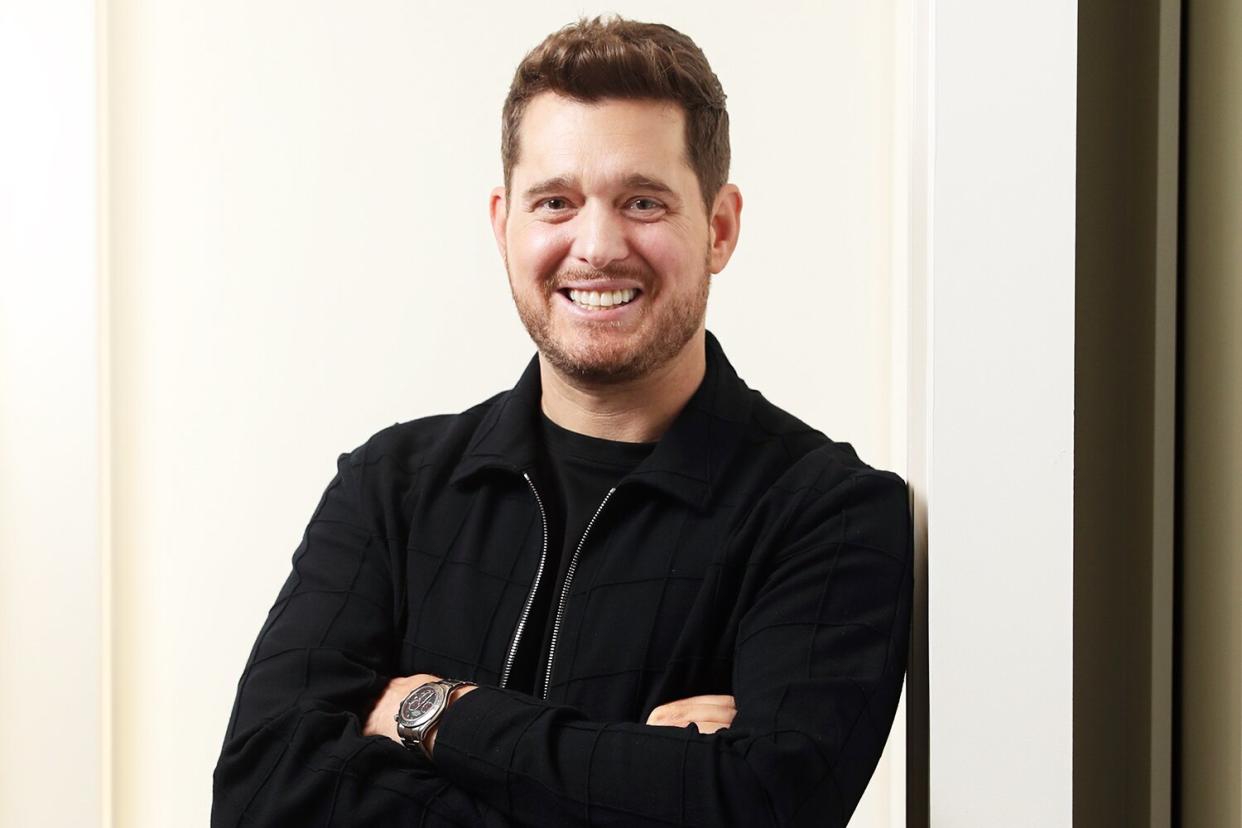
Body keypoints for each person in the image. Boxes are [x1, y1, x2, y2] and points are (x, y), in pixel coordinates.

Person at [212, 15, 912, 828]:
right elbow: (261, 794)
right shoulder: (389, 489)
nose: (597, 246)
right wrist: (640, 774)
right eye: (556, 202)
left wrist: (436, 713)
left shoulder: (827, 515)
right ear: (503, 223)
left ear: (719, 228)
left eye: (642, 201)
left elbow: (757, 809)